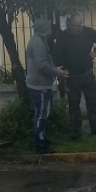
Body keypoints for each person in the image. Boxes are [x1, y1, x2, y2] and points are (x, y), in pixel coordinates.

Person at [54, 13, 96, 139]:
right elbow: (57, 56)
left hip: (87, 73)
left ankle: (95, 128)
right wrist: (61, 73)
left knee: (92, 102)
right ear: (69, 24)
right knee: (74, 104)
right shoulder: (63, 37)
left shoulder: (88, 32)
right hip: (72, 76)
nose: (78, 28)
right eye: (75, 26)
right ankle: (76, 131)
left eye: (80, 25)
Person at [25, 18, 68, 154]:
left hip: (41, 83)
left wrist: (55, 69)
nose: (50, 31)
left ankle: (42, 138)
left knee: (43, 113)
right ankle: (40, 144)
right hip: (39, 85)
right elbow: (42, 65)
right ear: (44, 29)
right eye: (48, 28)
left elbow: (44, 62)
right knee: (41, 114)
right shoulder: (38, 43)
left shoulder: (39, 41)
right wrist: (57, 72)